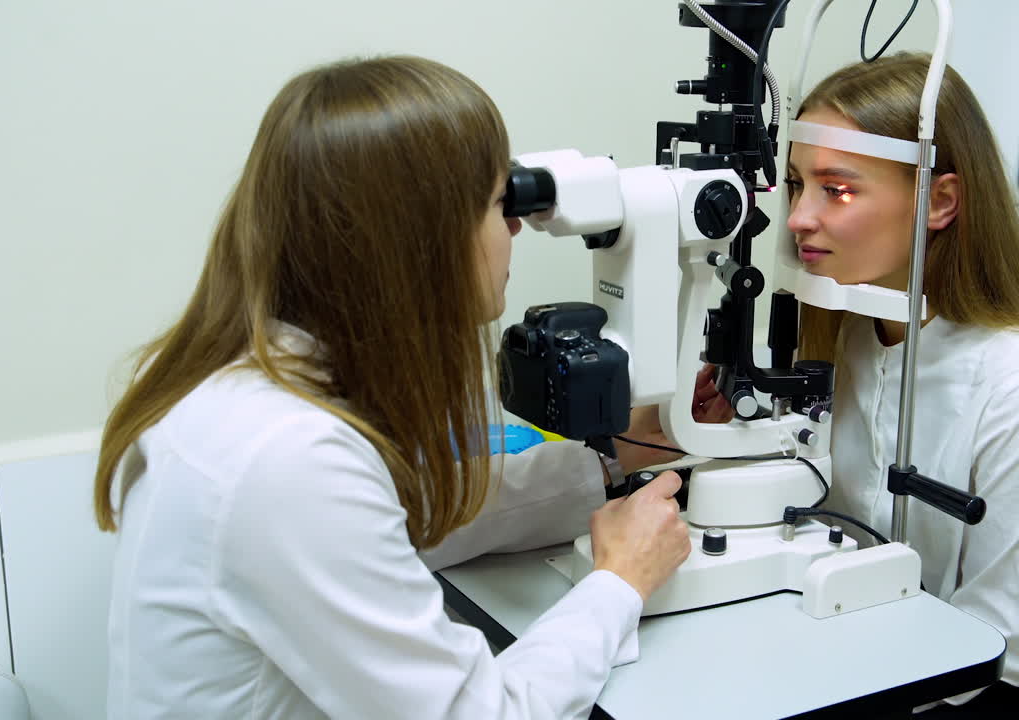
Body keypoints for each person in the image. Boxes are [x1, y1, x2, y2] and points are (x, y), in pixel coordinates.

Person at [92, 55, 729, 719]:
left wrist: (619, 456)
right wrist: (619, 582)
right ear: (423, 240)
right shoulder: (289, 462)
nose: (516, 226)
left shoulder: (256, 393)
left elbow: (413, 515)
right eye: (498, 203)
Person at [784, 52, 1019, 719]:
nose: (797, 218)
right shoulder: (849, 334)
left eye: (836, 189)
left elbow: (1003, 640)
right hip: (909, 640)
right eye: (796, 185)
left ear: (940, 200)